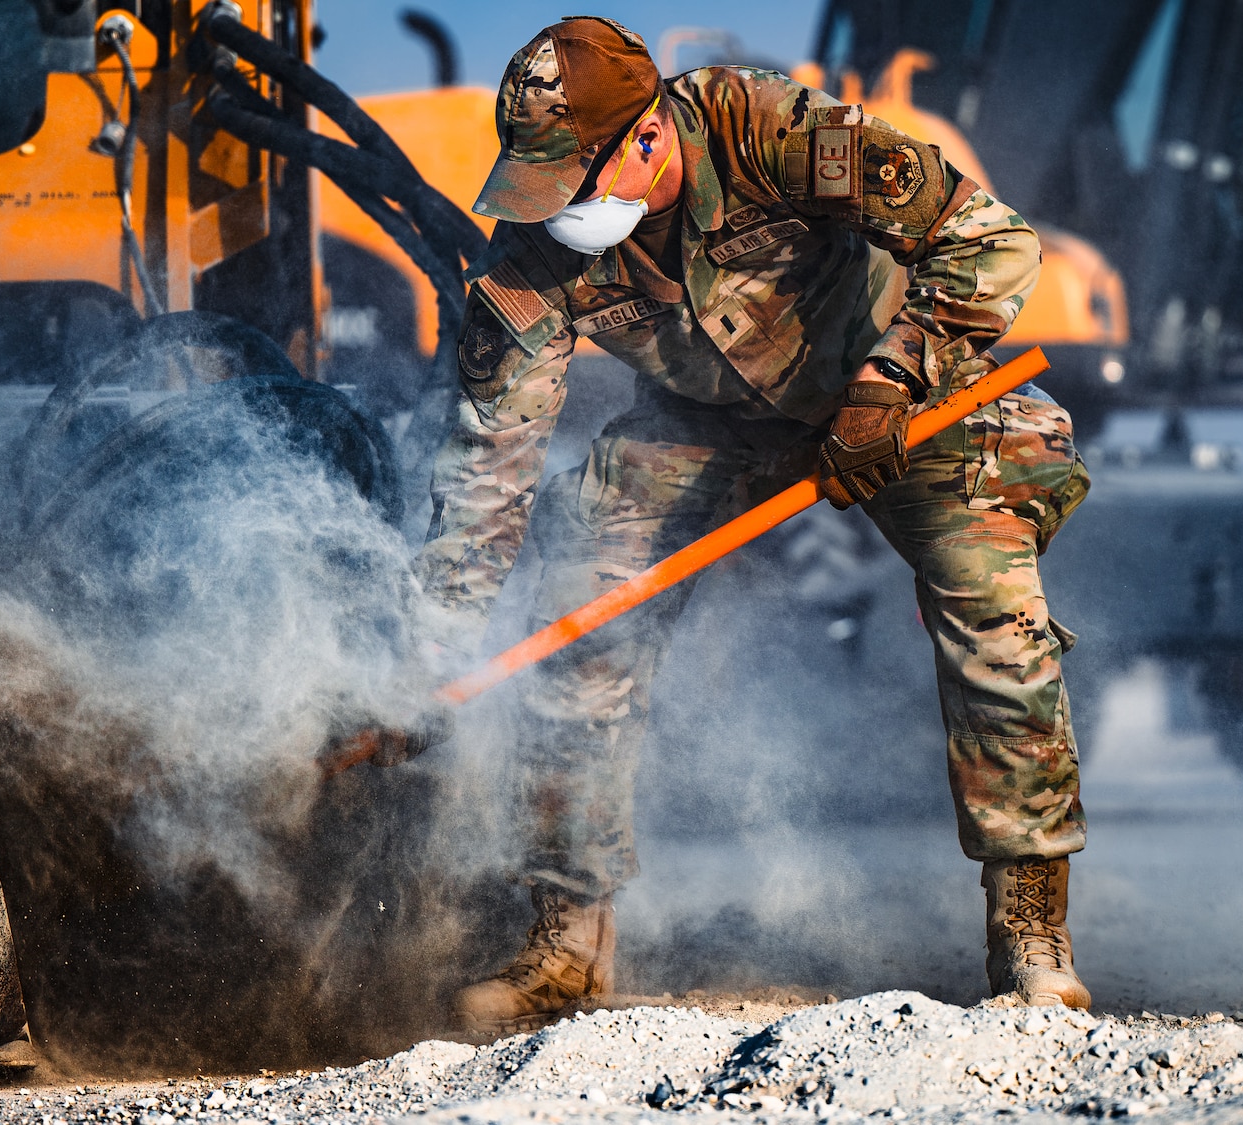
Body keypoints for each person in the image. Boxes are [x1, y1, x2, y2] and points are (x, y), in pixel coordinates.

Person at [417, 17, 1092, 1035]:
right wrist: (426, 651)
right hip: (706, 425)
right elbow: (484, 461)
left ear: (646, 138)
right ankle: (564, 940)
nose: (554, 207)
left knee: (994, 610)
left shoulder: (765, 127)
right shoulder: (532, 257)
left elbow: (990, 242)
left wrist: (890, 380)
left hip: (904, 396)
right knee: (577, 614)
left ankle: (1030, 932)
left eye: (572, 176)